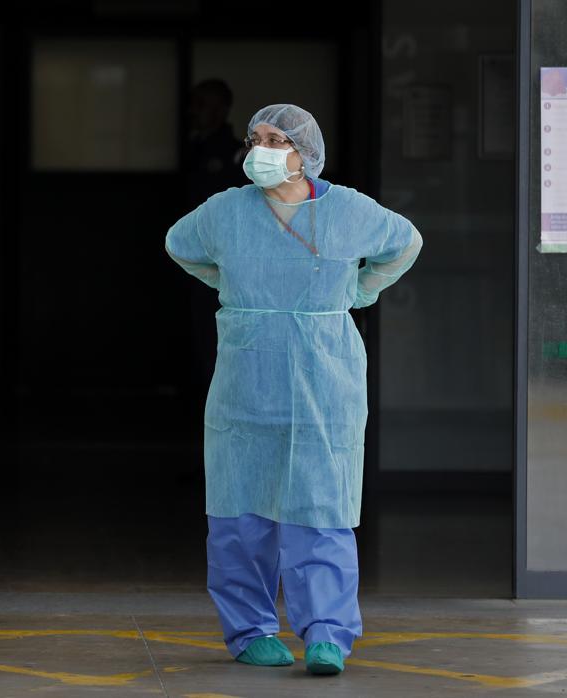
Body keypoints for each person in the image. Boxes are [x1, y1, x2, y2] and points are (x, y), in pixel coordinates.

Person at [165, 104, 422, 675]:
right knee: (240, 512)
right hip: (246, 378)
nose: (262, 148)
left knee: (320, 506)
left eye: (277, 138)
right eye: (256, 138)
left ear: (305, 153)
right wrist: (233, 285)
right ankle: (250, 630)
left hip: (323, 378)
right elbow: (179, 245)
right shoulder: (226, 212)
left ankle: (327, 632)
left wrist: (361, 289)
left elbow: (404, 243)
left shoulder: (350, 210)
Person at [183, 79, 248, 398]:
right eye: (194, 104)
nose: (196, 112)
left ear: (222, 109)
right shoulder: (190, 149)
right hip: (187, 252)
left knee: (216, 331)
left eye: (203, 105)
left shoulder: (234, 154)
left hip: (221, 259)